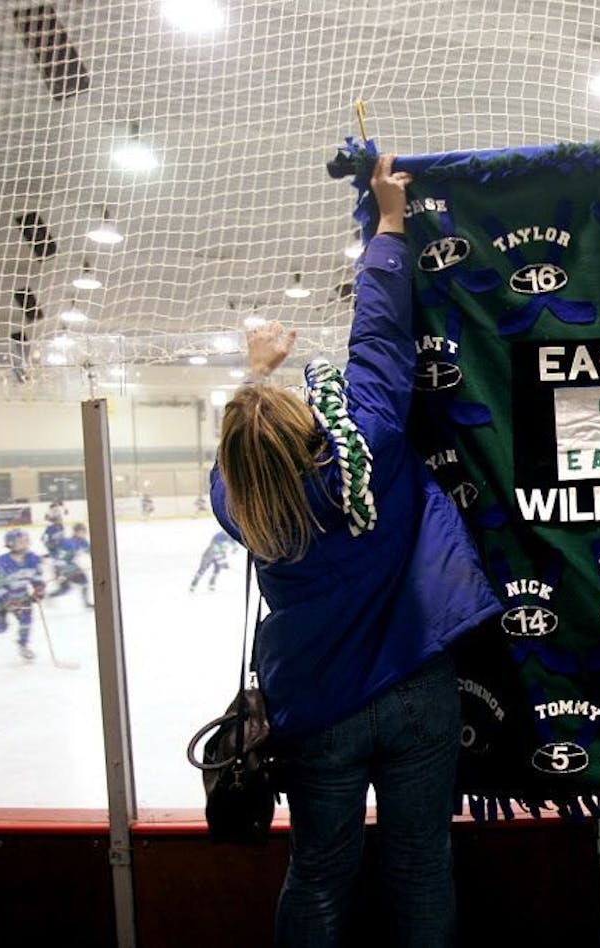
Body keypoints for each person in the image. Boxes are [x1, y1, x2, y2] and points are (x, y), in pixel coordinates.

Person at [210, 155, 501, 946]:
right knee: (420, 865)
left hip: (319, 703)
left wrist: (252, 370)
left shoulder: (243, 502)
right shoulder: (366, 437)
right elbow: (378, 334)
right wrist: (392, 222)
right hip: (415, 684)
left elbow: (239, 461)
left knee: (318, 872)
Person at [0, 529, 46, 660]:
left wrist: (39, 589)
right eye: (21, 541)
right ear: (11, 544)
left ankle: (23, 645)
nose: (25, 543)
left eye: (26, 540)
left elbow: (36, 577)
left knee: (26, 619)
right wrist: (6, 600)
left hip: (21, 597)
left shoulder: (33, 559)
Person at [49, 522, 93, 607]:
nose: (83, 534)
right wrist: (61, 572)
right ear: (75, 532)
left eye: (84, 532)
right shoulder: (68, 542)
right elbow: (59, 558)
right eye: (81, 532)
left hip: (71, 567)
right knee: (67, 588)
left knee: (77, 584)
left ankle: (86, 603)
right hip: (62, 568)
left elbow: (90, 551)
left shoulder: (83, 542)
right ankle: (49, 596)